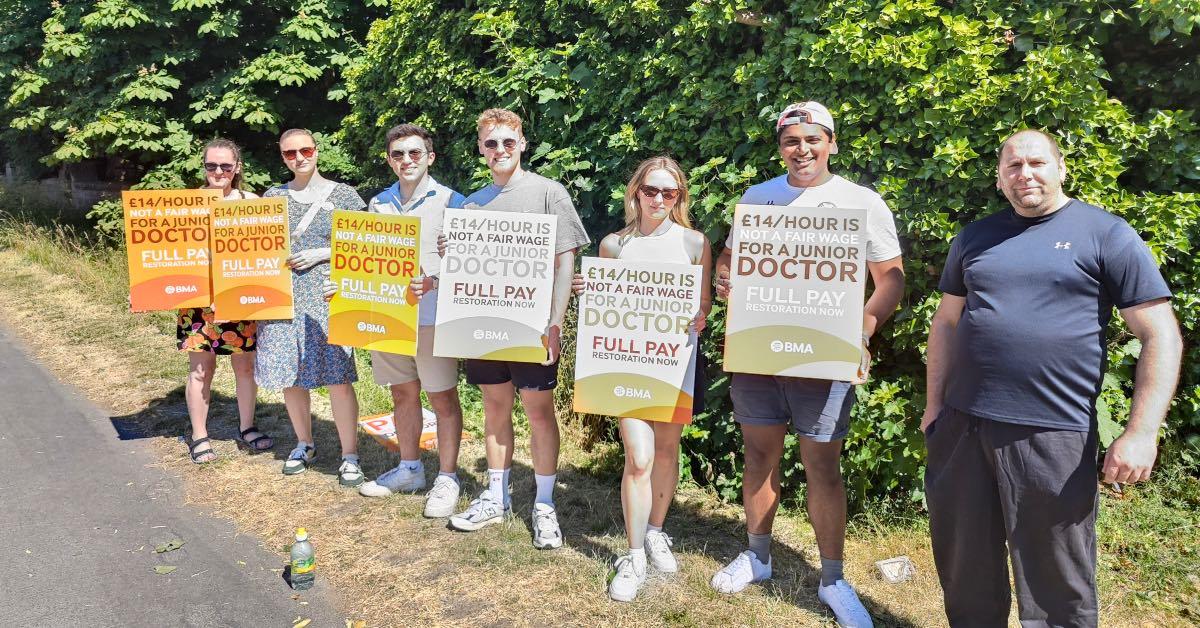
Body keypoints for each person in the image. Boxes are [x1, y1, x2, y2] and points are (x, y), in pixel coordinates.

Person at [923, 129, 1183, 627]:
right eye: (1013, 166)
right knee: (964, 565)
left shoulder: (1106, 234)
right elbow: (947, 322)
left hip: (1052, 432)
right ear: (999, 179)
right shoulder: (975, 237)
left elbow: (1161, 336)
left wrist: (1141, 433)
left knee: (1056, 579)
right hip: (962, 427)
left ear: (1061, 169)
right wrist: (935, 408)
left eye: (1037, 163)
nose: (1026, 175)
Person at [711, 101, 905, 627]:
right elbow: (730, 259)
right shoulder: (758, 197)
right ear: (781, 147)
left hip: (824, 355)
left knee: (823, 466)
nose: (802, 150)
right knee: (758, 455)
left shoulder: (861, 202)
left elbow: (891, 279)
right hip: (758, 350)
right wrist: (724, 277)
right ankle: (758, 556)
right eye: (791, 141)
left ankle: (833, 579)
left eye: (812, 139)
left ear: (831, 143)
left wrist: (862, 329)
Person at [444, 108, 589, 549]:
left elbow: (566, 263)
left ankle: (544, 504)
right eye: (491, 143)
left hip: (533, 329)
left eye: (508, 142)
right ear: (481, 149)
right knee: (494, 408)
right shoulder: (470, 204)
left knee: (540, 412)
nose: (500, 150)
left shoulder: (550, 192)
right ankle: (496, 494)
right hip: (486, 327)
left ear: (523, 144)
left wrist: (556, 323)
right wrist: (453, 248)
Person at [572, 157, 712, 601]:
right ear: (635, 192)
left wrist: (701, 316)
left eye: (668, 193)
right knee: (639, 456)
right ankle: (632, 555)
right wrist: (586, 289)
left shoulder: (694, 243)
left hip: (673, 364)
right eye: (650, 191)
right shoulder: (613, 244)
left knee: (667, 450)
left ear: (679, 198)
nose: (658, 200)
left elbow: (703, 303)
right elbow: (603, 301)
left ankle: (655, 530)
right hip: (626, 365)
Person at [321, 123, 467, 518]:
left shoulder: (455, 201)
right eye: (398, 154)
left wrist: (435, 279)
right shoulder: (378, 204)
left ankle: (448, 478)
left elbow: (471, 268)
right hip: (389, 317)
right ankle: (410, 469)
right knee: (402, 394)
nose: (406, 160)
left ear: (430, 157)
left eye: (414, 153)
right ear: (389, 160)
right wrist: (345, 290)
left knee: (442, 398)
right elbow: (367, 263)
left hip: (433, 317)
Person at [256, 128, 366, 486]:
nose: (299, 157)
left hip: (328, 295)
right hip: (283, 296)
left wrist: (325, 252)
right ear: (282, 157)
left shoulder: (345, 196)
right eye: (290, 153)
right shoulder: (272, 197)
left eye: (305, 150)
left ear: (317, 151)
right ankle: (305, 443)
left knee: (338, 376)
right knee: (291, 375)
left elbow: (367, 246)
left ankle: (350, 454)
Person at [180, 138, 273, 463]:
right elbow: (172, 256)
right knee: (201, 370)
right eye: (211, 165)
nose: (218, 172)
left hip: (241, 298)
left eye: (225, 166)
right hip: (200, 301)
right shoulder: (188, 204)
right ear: (203, 167)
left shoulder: (252, 202)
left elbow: (265, 255)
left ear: (237, 168)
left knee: (245, 367)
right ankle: (199, 435)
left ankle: (247, 427)